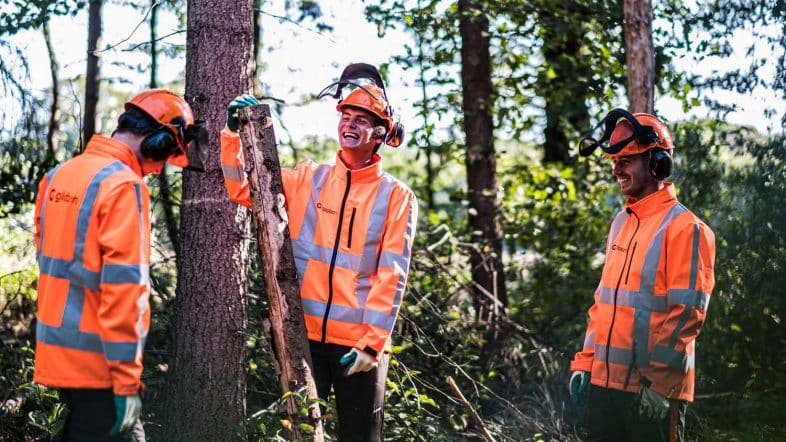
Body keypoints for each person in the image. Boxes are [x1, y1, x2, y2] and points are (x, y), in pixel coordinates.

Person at [220, 65, 418, 441]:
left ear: (381, 133)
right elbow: (244, 189)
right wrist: (232, 135)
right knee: (300, 436)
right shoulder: (309, 178)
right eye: (346, 115)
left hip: (358, 348)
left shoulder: (396, 197)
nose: (350, 124)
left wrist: (372, 345)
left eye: (362, 120)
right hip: (303, 340)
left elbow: (391, 276)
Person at [33, 89, 204, 441]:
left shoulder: (57, 177)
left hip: (58, 354)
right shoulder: (124, 187)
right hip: (100, 364)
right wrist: (127, 381)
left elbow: (50, 257)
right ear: (156, 141)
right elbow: (125, 292)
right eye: (166, 155)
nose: (158, 169)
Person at [569, 109, 716, 442]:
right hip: (605, 388)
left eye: (626, 160)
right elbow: (603, 303)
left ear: (657, 163)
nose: (616, 169)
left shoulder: (686, 228)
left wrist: (660, 386)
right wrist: (586, 362)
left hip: (650, 396)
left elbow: (686, 316)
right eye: (615, 160)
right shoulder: (621, 223)